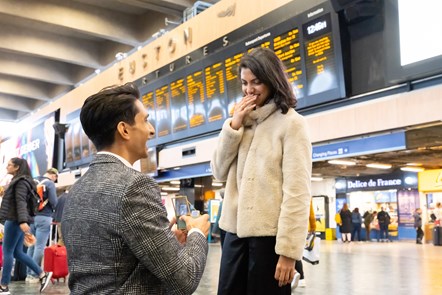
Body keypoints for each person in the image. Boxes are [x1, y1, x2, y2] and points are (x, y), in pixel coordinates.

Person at [61, 82, 210, 294]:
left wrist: (164, 243)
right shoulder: (135, 186)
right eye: (146, 120)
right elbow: (184, 280)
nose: (151, 130)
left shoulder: (76, 189)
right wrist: (197, 233)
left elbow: (109, 265)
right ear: (124, 130)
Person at [211, 47, 312, 295]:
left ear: (272, 80)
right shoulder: (240, 123)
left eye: (256, 82)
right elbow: (218, 172)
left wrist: (289, 252)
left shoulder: (292, 124)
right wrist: (233, 125)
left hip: (270, 241)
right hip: (233, 236)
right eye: (245, 83)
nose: (249, 89)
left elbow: (297, 193)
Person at [0, 157, 53, 294]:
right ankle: (42, 274)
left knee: (8, 253)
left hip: (14, 220)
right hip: (17, 220)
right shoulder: (23, 181)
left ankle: (4, 286)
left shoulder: (20, 182)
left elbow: (21, 201)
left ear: (17, 167)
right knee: (17, 252)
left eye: (9, 165)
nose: (7, 167)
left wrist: (23, 221)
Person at [26, 168, 59, 282]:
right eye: (56, 178)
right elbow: (54, 202)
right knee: (39, 247)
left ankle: (28, 274)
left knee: (31, 246)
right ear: (53, 175)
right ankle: (34, 275)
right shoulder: (49, 183)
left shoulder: (33, 181)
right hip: (44, 217)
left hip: (31, 218)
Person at [294, 200, 316, 289]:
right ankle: (301, 278)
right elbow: (311, 213)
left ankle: (298, 276)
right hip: (302, 228)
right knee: (297, 253)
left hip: (290, 226)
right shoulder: (307, 194)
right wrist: (313, 227)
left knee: (293, 253)